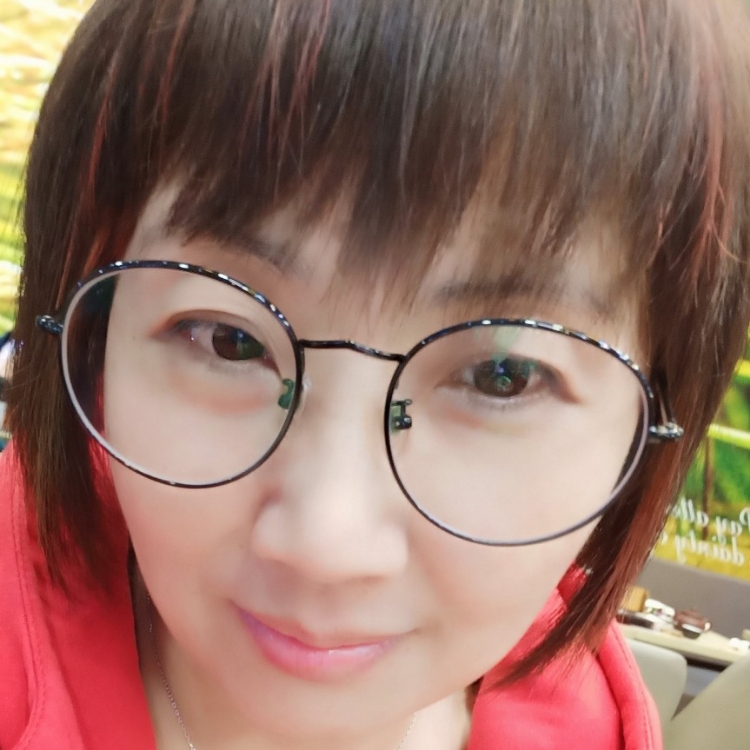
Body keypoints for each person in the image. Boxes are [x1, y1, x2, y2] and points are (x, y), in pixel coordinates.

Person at [2, 1, 750, 749]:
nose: (327, 545)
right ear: (92, 332)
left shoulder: (597, 730)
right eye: (229, 340)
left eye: (503, 376)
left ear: (652, 420)